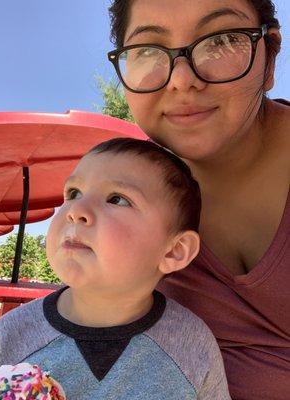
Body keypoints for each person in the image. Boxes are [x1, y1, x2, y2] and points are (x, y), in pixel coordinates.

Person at [107, 1, 290, 399]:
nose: (182, 80)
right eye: (149, 50)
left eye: (222, 40)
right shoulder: (122, 206)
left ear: (270, 58)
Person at [0, 138, 231, 400]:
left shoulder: (191, 346)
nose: (76, 210)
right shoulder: (9, 337)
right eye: (73, 193)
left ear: (174, 251)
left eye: (117, 199)